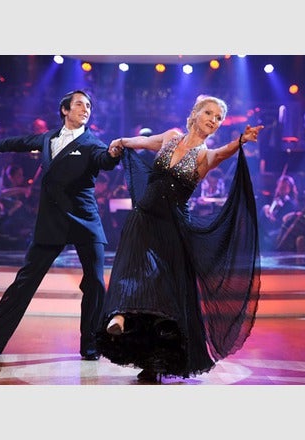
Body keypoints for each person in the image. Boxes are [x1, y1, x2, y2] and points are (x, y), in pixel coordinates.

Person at [95, 95, 264, 382]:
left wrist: (241, 141)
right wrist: (122, 141)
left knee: (163, 289)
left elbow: (222, 153)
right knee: (132, 269)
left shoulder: (204, 155)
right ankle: (120, 315)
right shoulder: (171, 136)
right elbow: (143, 142)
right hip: (143, 218)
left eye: (218, 118)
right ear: (195, 113)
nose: (213, 120)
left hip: (172, 228)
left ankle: (154, 363)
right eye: (209, 113)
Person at [0, 90, 122, 361]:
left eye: (89, 106)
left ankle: (91, 346)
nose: (86, 109)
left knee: (95, 282)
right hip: (51, 222)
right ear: (65, 110)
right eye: (80, 104)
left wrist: (114, 153)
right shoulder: (47, 138)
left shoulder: (92, 143)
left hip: (84, 220)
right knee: (24, 283)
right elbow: (20, 142)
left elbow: (105, 160)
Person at [259, 174, 299, 251]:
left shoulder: (291, 204)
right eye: (280, 186)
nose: (281, 188)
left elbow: (283, 223)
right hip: (269, 228)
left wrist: (272, 218)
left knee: (265, 238)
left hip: (280, 231)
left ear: (289, 188)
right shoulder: (275, 200)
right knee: (264, 208)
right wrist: (267, 211)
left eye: (284, 187)